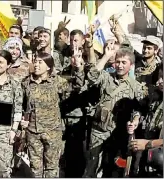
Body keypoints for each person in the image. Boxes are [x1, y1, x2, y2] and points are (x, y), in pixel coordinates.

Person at [82, 47, 147, 177]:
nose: (120, 65)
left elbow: (139, 109)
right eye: (118, 62)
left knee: (114, 169)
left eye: (124, 62)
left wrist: (134, 121)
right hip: (99, 132)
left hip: (118, 135)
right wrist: (106, 56)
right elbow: (92, 76)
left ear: (131, 65)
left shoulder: (136, 87)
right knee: (91, 167)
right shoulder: (106, 77)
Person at [20, 52, 84, 177]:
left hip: (52, 132)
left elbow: (77, 85)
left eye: (40, 62)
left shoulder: (56, 81)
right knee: (35, 169)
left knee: (52, 168)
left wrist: (79, 67)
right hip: (33, 132)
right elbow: (21, 104)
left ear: (48, 66)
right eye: (35, 61)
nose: (36, 65)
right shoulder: (26, 83)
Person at [127, 63, 163, 177]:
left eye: (163, 78)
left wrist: (147, 144)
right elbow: (140, 107)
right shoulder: (155, 94)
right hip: (144, 152)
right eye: (159, 77)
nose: (159, 81)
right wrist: (136, 120)